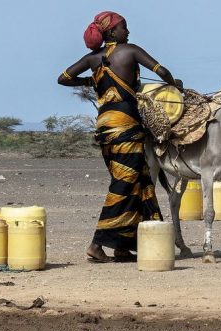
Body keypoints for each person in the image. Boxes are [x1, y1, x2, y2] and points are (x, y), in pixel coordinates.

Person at [57, 11, 182, 263]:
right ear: (112, 32)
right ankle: (96, 244)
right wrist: (175, 84)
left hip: (104, 129)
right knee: (124, 184)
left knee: (139, 181)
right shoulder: (130, 50)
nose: (128, 32)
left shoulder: (93, 58)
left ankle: (124, 246)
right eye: (124, 28)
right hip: (126, 127)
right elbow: (162, 71)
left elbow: (63, 78)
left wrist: (91, 81)